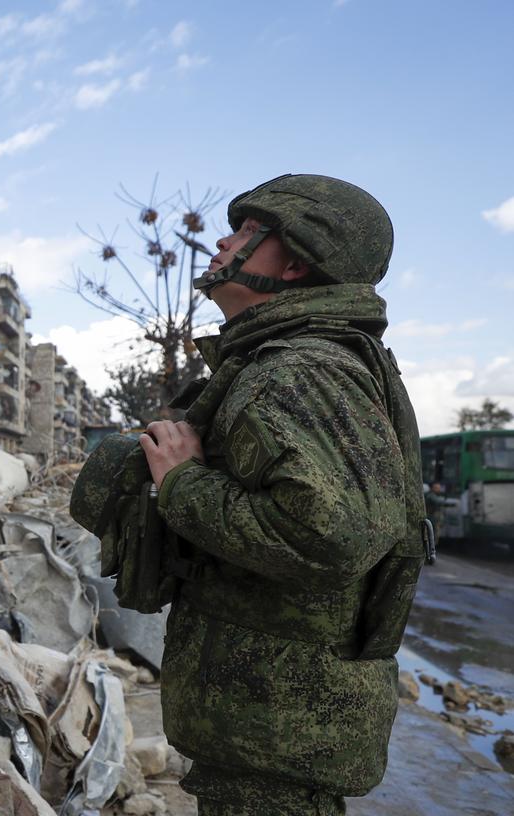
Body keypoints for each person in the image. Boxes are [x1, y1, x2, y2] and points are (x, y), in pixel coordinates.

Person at [133, 175, 426, 815]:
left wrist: (182, 484)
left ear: (295, 262)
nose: (221, 239)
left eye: (245, 231)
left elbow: (331, 535)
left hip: (275, 742)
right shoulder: (295, 361)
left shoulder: (296, 370)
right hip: (270, 734)